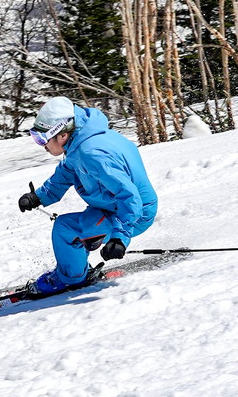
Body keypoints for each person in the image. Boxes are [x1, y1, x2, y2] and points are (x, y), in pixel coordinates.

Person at [18, 96, 158, 296]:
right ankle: (74, 269)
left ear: (62, 135)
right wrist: (38, 197)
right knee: (75, 225)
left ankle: (71, 279)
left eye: (42, 139)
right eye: (35, 137)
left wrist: (119, 237)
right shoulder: (82, 142)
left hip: (134, 214)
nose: (41, 145)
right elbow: (66, 173)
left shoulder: (92, 153)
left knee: (66, 229)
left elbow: (129, 196)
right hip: (114, 207)